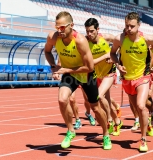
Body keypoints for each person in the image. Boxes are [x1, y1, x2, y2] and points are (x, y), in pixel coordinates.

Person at [44, 11, 112, 150]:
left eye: (62, 27)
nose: (59, 31)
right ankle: (70, 131)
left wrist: (66, 70)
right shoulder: (53, 37)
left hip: (87, 75)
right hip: (70, 74)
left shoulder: (80, 41)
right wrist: (53, 66)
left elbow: (89, 67)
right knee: (62, 99)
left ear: (71, 25)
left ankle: (106, 135)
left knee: (96, 108)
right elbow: (47, 51)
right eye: (57, 27)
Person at [110, 12, 153, 152]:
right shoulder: (120, 39)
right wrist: (118, 65)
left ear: (139, 25)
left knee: (141, 106)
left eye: (132, 26)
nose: (129, 29)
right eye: (127, 26)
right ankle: (147, 122)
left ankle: (143, 139)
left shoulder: (146, 39)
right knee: (136, 108)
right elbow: (112, 53)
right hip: (127, 78)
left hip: (143, 77)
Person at [84, 18, 123, 136]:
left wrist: (115, 57)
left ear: (97, 29)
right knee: (106, 100)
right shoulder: (85, 42)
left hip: (109, 73)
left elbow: (121, 44)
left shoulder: (106, 37)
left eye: (92, 31)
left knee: (99, 97)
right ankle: (117, 121)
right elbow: (91, 63)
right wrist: (106, 55)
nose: (89, 34)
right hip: (97, 74)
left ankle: (109, 120)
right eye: (87, 31)